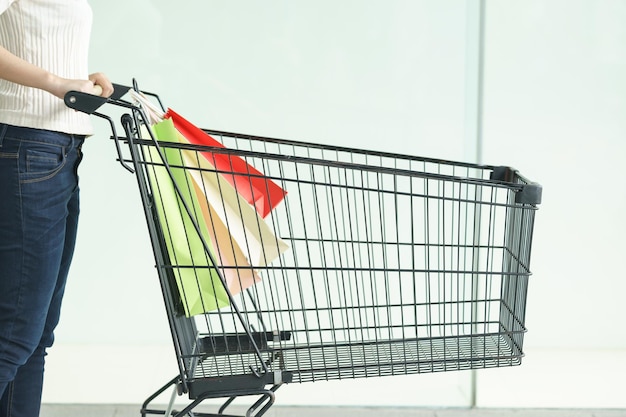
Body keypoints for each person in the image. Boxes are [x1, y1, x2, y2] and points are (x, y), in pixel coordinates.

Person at [0, 1, 113, 416]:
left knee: (35, 335)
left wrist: (80, 81)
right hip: (29, 147)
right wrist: (53, 82)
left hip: (58, 149)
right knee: (14, 334)